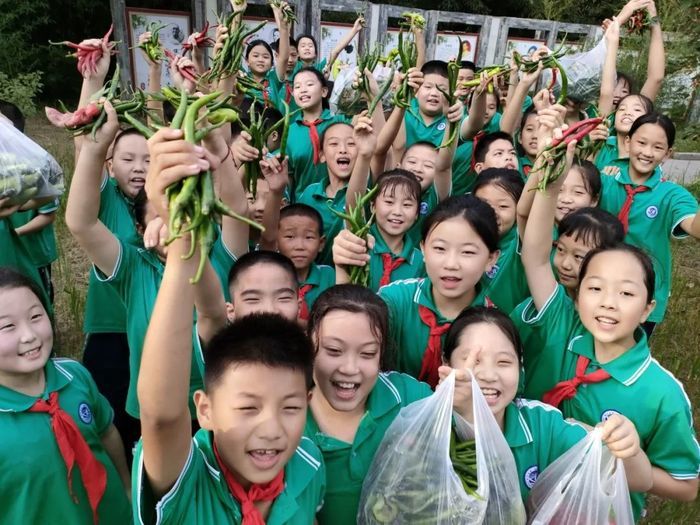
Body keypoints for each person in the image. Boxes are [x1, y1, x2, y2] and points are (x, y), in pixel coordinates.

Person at [65, 105, 241, 421]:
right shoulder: (134, 268)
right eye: (159, 217)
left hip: (222, 401)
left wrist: (216, 145)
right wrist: (93, 150)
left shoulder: (220, 255)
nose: (170, 225)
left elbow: (236, 204)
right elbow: (81, 223)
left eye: (179, 213)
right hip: (156, 408)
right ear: (141, 230)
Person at [438, 306, 653, 502]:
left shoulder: (541, 424)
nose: (488, 374)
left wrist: (628, 449)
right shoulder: (428, 424)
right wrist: (469, 416)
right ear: (446, 363)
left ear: (520, 367)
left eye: (504, 362)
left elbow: (640, 480)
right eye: (473, 361)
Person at [0, 267, 131, 524]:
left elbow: (106, 433)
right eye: (8, 326)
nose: (29, 335)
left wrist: (127, 487)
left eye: (36, 316)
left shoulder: (75, 375)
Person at [305, 284, 432, 524]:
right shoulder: (289, 421)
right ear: (309, 345)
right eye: (333, 350)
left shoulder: (410, 398)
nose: (350, 369)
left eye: (367, 354)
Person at [378, 195, 500, 387]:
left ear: (491, 259)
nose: (451, 264)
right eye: (440, 248)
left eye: (467, 252)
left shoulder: (495, 328)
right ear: (423, 249)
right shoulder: (394, 300)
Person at [596, 113, 700, 333]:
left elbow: (694, 227)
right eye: (641, 143)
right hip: (599, 282)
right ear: (627, 141)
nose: (647, 152)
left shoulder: (672, 194)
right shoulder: (604, 181)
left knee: (628, 357)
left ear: (668, 154)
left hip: (643, 293)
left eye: (657, 147)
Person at [333, 169, 424, 292]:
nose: (397, 212)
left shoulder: (421, 261)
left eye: (407, 205)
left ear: (417, 213)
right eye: (389, 202)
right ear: (372, 206)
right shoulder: (358, 245)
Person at [297, 121, 357, 264]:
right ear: (322, 155)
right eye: (334, 144)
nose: (343, 149)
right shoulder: (309, 193)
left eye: (351, 143)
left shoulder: (364, 191)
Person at [286, 68, 350, 199]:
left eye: (309, 84)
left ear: (324, 91)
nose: (303, 89)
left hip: (340, 203)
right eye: (297, 87)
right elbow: (288, 176)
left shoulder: (340, 121)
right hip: (303, 206)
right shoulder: (289, 131)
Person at [473, 168, 528, 313]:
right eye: (484, 204)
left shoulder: (521, 243)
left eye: (503, 206)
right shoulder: (458, 237)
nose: (492, 213)